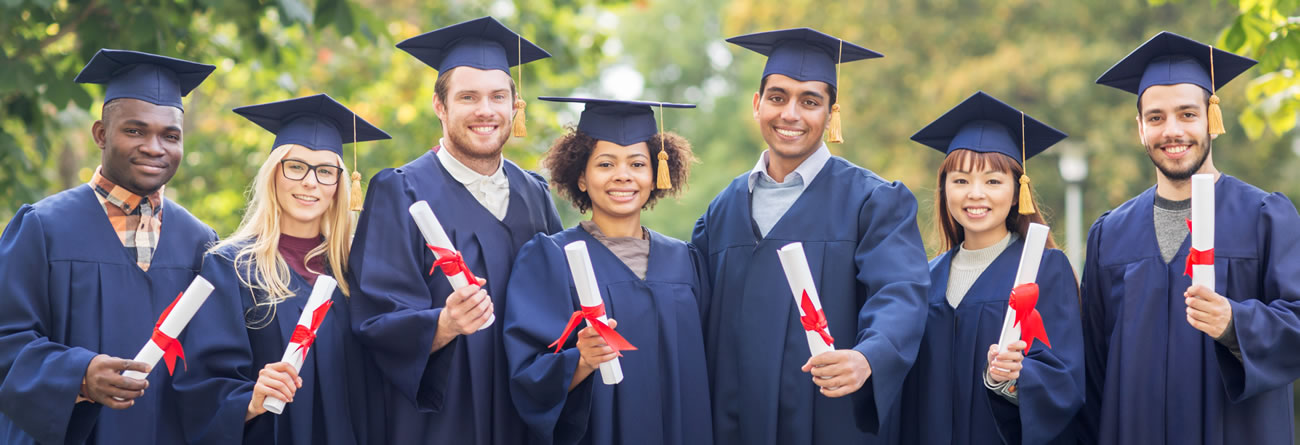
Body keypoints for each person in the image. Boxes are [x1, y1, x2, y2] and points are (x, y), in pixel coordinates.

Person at [691, 28, 930, 445]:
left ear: (831, 113)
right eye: (778, 97)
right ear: (757, 104)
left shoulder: (872, 201)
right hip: (734, 421)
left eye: (810, 102)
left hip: (828, 418)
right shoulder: (722, 209)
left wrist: (868, 356)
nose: (791, 115)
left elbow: (900, 293)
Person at [349, 16, 564, 444]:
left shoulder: (535, 194)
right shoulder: (401, 190)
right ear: (440, 106)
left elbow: (559, 306)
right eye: (468, 97)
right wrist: (444, 323)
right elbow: (374, 318)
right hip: (439, 419)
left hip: (521, 414)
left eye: (498, 97)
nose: (485, 110)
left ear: (514, 106)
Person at [1082, 31, 1300, 443]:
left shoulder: (1264, 217)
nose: (1172, 131)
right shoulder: (1109, 235)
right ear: (1140, 129)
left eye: (1187, 114)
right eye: (1156, 117)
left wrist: (1237, 323)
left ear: (1211, 119)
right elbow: (1093, 370)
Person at [0, 49, 216, 444]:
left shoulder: (200, 241)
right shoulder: (43, 228)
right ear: (101, 134)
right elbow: (6, 340)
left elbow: (214, 364)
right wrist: (78, 374)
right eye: (135, 130)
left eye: (170, 135)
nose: (155, 147)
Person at [172, 94, 389, 444]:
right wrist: (251, 399)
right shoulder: (230, 267)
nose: (310, 182)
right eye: (296, 166)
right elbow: (202, 383)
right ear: (274, 174)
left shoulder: (355, 271)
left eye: (325, 171)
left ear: (339, 185)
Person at [504, 97, 711, 445]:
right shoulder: (549, 258)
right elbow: (526, 376)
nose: (623, 176)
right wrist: (581, 360)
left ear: (656, 174)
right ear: (581, 177)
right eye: (605, 164)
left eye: (637, 163)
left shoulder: (685, 260)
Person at [896, 91, 1084, 444]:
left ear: (1017, 191)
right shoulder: (924, 279)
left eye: (993, 181)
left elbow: (1066, 381)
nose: (975, 194)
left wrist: (1011, 378)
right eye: (961, 180)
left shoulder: (1045, 270)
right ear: (944, 189)